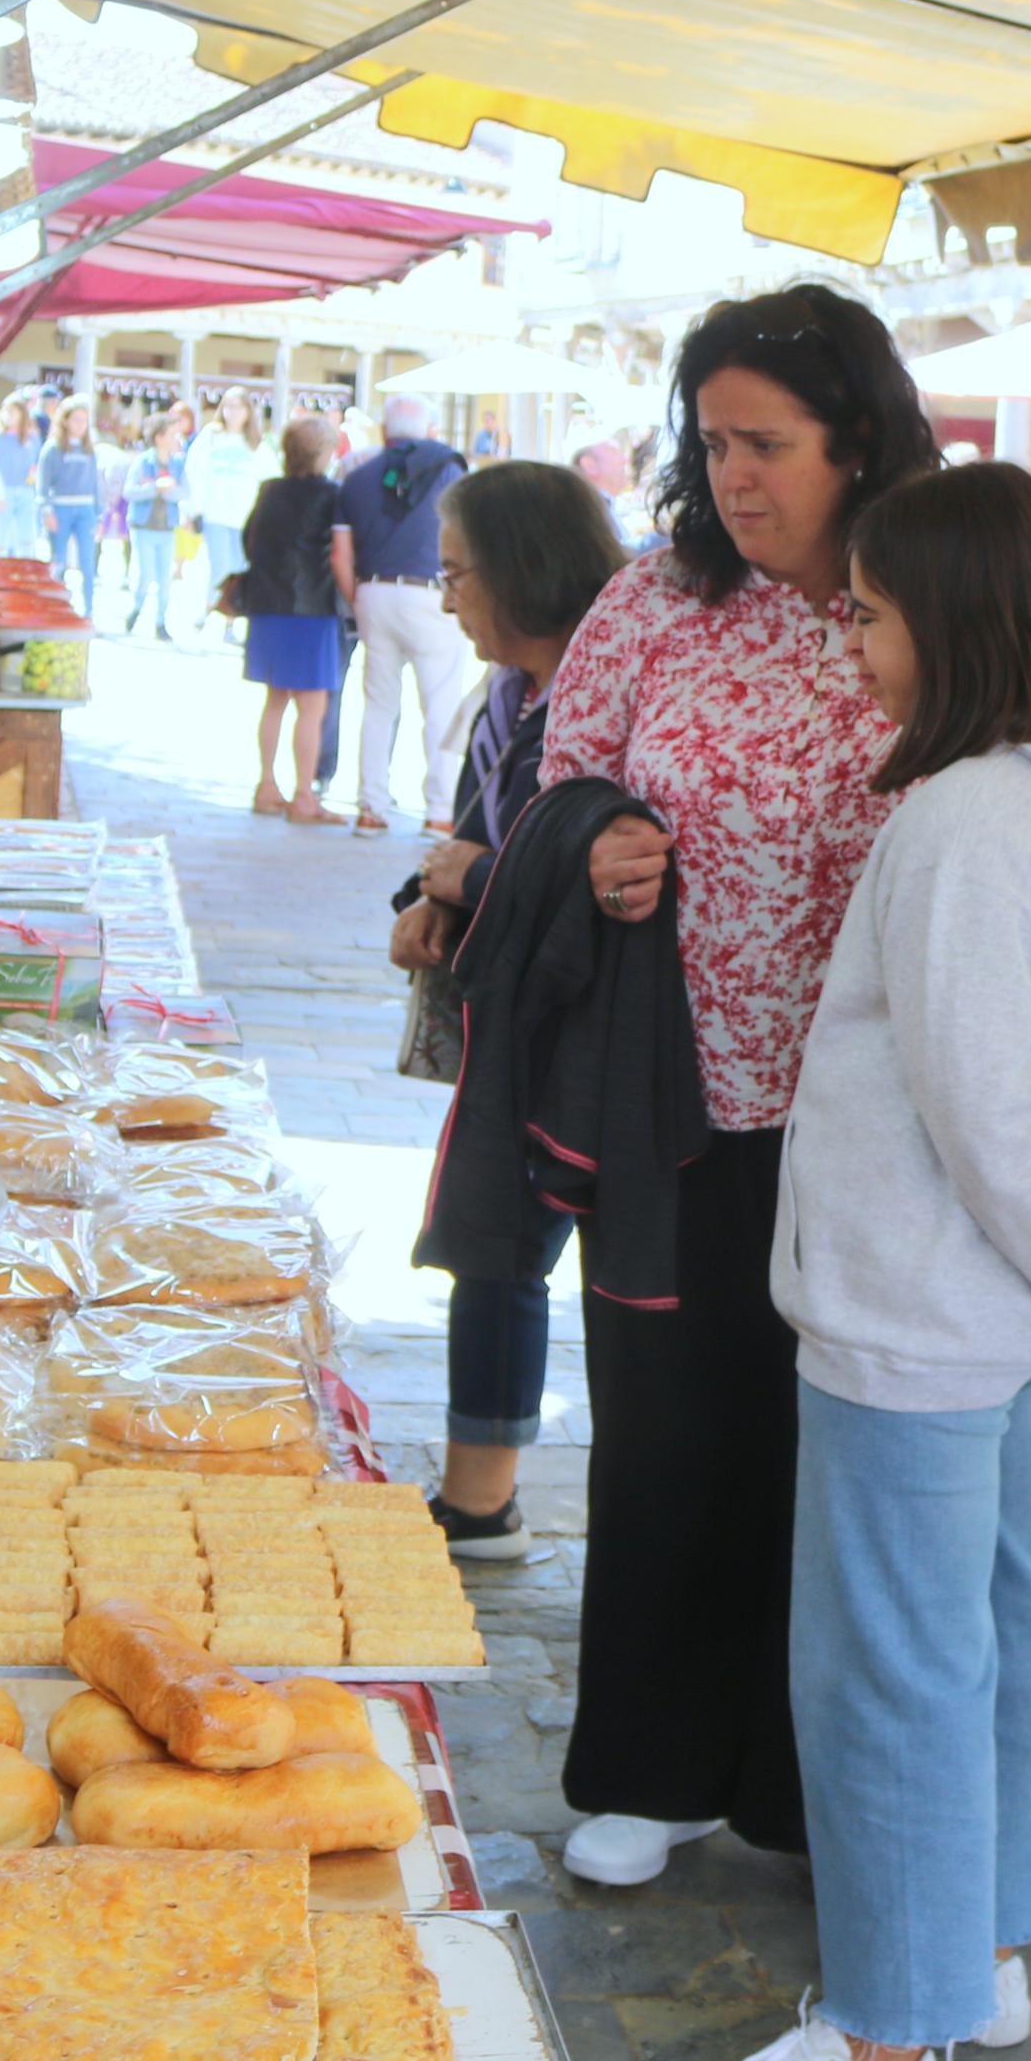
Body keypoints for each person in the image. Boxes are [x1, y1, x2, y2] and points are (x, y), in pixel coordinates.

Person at [661, 460, 1031, 2061]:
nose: (856, 649)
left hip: (924, 1311)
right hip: (987, 1309)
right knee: (976, 1631)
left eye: (873, 618)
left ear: (950, 621)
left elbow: (982, 1096)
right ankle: (980, 1945)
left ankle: (884, 2048)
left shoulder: (969, 816)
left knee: (886, 1666)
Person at [537, 282, 944, 1889]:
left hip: (873, 1114)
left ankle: (802, 1786)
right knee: (661, 1434)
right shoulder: (654, 599)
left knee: (826, 1458)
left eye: (766, 444)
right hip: (677, 1099)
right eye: (708, 444)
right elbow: (551, 780)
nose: (734, 478)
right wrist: (599, 849)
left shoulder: (925, 595)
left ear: (857, 443)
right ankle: (651, 1765)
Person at [387, 463, 629, 1558]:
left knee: (546, 1254)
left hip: (601, 1028)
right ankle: (478, 1497)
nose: (444, 601)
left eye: (456, 576)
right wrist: (430, 890)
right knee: (493, 1244)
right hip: (516, 1019)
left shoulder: (610, 691)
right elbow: (480, 837)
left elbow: (581, 877)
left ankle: (501, 1498)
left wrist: (464, 881)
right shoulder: (510, 692)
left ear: (522, 570)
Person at [336, 396, 483, 836]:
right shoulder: (450, 473)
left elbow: (341, 555)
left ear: (385, 432)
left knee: (379, 704)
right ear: (430, 434)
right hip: (431, 593)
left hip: (374, 591)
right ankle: (438, 811)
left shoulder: (356, 477)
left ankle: (370, 807)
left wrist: (359, 598)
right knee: (439, 704)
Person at [238, 415, 349, 827]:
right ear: (322, 452)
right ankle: (304, 795)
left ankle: (266, 786)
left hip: (267, 604)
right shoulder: (331, 495)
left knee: (275, 701)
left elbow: (248, 539)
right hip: (312, 608)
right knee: (312, 706)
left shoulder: (269, 491)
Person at [185, 392, 265, 639]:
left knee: (239, 568)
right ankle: (209, 609)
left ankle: (229, 621)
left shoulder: (254, 443)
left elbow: (268, 477)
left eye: (239, 407)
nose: (233, 412)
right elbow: (194, 473)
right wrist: (192, 510)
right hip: (215, 514)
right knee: (220, 567)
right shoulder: (211, 436)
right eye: (228, 406)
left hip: (243, 517)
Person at [38, 397, 108, 615]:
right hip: (61, 509)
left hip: (85, 510)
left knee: (87, 563)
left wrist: (99, 515)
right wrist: (46, 509)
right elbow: (43, 484)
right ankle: (56, 609)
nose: (80, 425)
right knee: (59, 561)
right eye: (76, 419)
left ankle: (88, 611)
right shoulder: (53, 448)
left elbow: (97, 484)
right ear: (65, 421)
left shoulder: (89, 450)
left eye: (84, 421)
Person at [128, 407, 191, 640]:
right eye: (173, 435)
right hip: (144, 527)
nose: (178, 440)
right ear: (159, 438)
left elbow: (185, 491)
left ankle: (161, 622)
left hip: (167, 527)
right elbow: (130, 491)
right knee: (146, 575)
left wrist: (169, 490)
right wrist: (155, 487)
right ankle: (136, 610)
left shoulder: (178, 465)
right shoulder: (143, 462)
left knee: (165, 578)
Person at [0, 390, 45, 558]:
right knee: (0, 539)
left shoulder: (32, 439)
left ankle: (25, 571)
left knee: (26, 537)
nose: (9, 415)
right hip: (3, 494)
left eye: (13, 411)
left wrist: (34, 476)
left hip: (26, 492)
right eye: (6, 411)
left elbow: (37, 463)